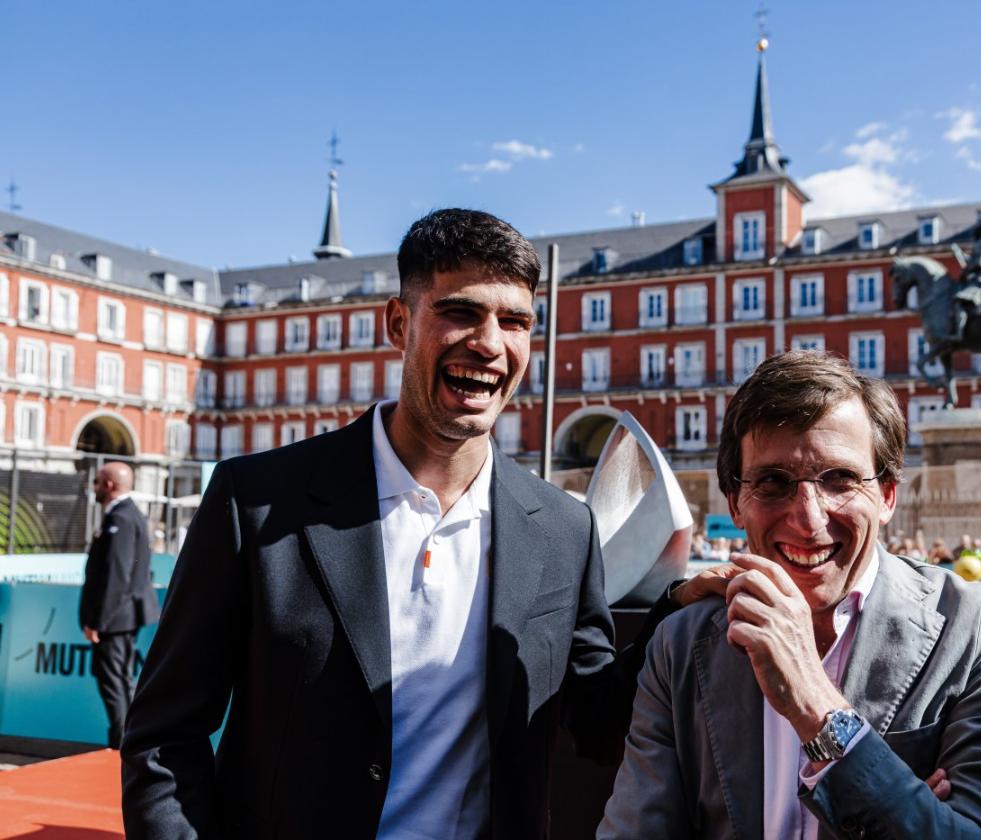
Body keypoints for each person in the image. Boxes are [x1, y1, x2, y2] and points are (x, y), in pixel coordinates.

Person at [121, 209, 720, 839]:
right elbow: (164, 738)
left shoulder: (564, 530)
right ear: (399, 322)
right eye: (462, 312)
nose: (490, 343)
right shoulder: (256, 503)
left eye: (515, 321)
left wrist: (676, 611)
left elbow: (596, 719)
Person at [599, 350, 981, 839]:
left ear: (887, 496)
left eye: (840, 479)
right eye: (773, 482)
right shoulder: (681, 645)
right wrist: (903, 800)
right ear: (735, 502)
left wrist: (816, 706)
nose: (809, 519)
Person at [79, 461, 159, 749]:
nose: (95, 488)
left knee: (115, 685)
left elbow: (117, 575)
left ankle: (120, 750)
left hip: (115, 620)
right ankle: (123, 747)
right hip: (121, 617)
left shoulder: (122, 518)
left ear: (110, 485)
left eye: (98, 482)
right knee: (120, 683)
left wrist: (98, 621)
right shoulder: (124, 515)